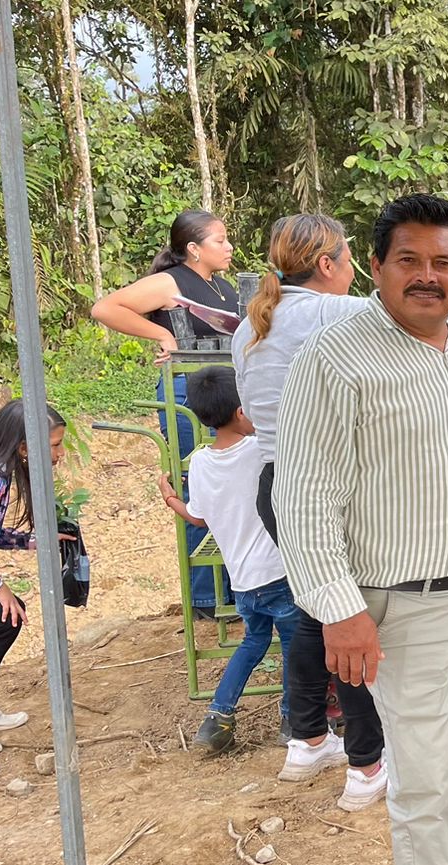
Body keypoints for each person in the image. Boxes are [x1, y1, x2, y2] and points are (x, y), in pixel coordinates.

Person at [275, 193, 448, 865]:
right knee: (426, 780)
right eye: (409, 259)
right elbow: (304, 495)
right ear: (376, 266)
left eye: (444, 262)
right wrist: (338, 609)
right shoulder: (335, 357)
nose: (427, 276)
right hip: (402, 609)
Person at [229, 212, 387, 812]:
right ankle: (368, 764)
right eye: (348, 258)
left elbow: (252, 412)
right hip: (329, 486)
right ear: (328, 264)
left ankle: (308, 739)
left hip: (275, 485)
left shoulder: (250, 326)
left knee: (315, 610)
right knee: (353, 618)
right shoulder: (336, 312)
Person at [92, 209, 237, 618]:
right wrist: (163, 334)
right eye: (220, 240)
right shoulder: (171, 282)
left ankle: (232, 590)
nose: (228, 247)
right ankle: (206, 598)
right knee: (196, 483)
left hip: (224, 394)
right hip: (187, 394)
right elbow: (105, 308)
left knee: (229, 485)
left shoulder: (224, 287)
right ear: (194, 249)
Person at [157, 367, 298, 754]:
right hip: (279, 573)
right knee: (294, 646)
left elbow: (198, 517)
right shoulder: (259, 451)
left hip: (242, 580)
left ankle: (218, 717)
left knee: (253, 642)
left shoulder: (200, 463)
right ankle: (293, 719)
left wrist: (169, 497)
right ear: (241, 410)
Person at [0, 401, 67, 759]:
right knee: (1, 620)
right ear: (25, 447)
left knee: (4, 618)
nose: (60, 453)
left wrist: (33, 541)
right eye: (55, 445)